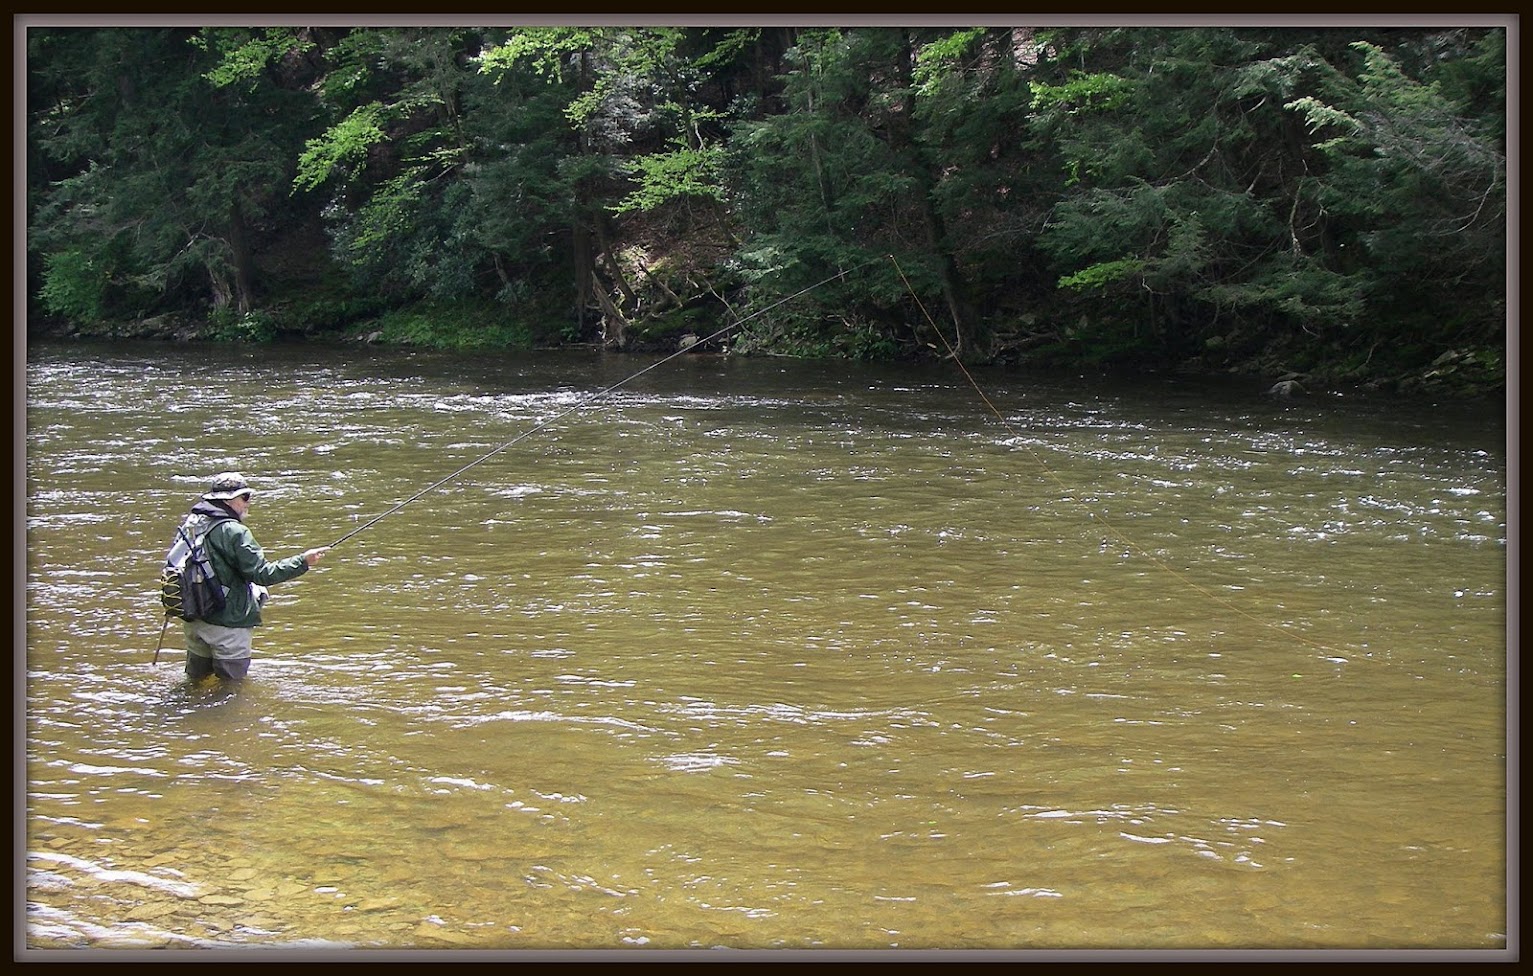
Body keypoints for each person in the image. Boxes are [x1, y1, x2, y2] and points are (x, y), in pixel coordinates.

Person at [175, 471, 329, 681]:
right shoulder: (235, 532)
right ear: (229, 500)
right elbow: (262, 574)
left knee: (195, 682)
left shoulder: (193, 523)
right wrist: (303, 561)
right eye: (245, 497)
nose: (248, 503)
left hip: (194, 619)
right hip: (228, 626)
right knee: (232, 689)